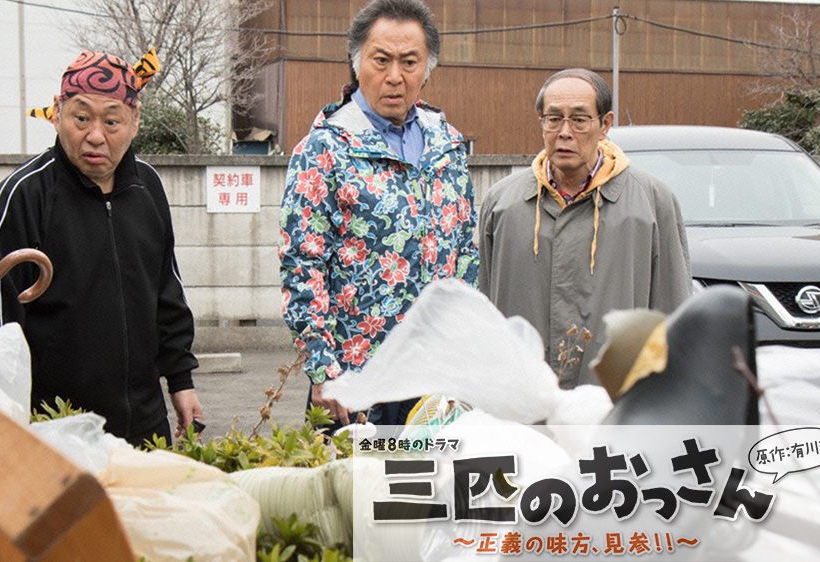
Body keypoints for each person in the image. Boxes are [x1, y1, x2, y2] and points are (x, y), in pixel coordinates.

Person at [0, 51, 202, 447]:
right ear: (58, 113)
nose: (96, 135)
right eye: (81, 118)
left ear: (134, 121)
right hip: (56, 429)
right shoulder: (24, 195)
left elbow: (166, 292)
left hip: (144, 426)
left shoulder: (148, 187)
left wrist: (181, 381)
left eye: (111, 120)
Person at [279, 0, 478, 427]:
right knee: (360, 492)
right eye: (381, 60)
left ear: (428, 68)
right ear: (356, 64)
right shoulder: (324, 150)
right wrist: (322, 369)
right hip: (356, 379)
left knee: (434, 489)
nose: (395, 77)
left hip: (435, 377)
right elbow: (302, 264)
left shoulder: (448, 146)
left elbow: (465, 252)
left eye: (410, 62)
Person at [478, 68, 692, 389]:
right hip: (523, 402)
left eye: (579, 120)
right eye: (554, 119)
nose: (565, 132)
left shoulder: (651, 203)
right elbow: (486, 309)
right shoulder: (502, 204)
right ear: (541, 120)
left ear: (605, 124)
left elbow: (674, 312)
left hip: (614, 402)